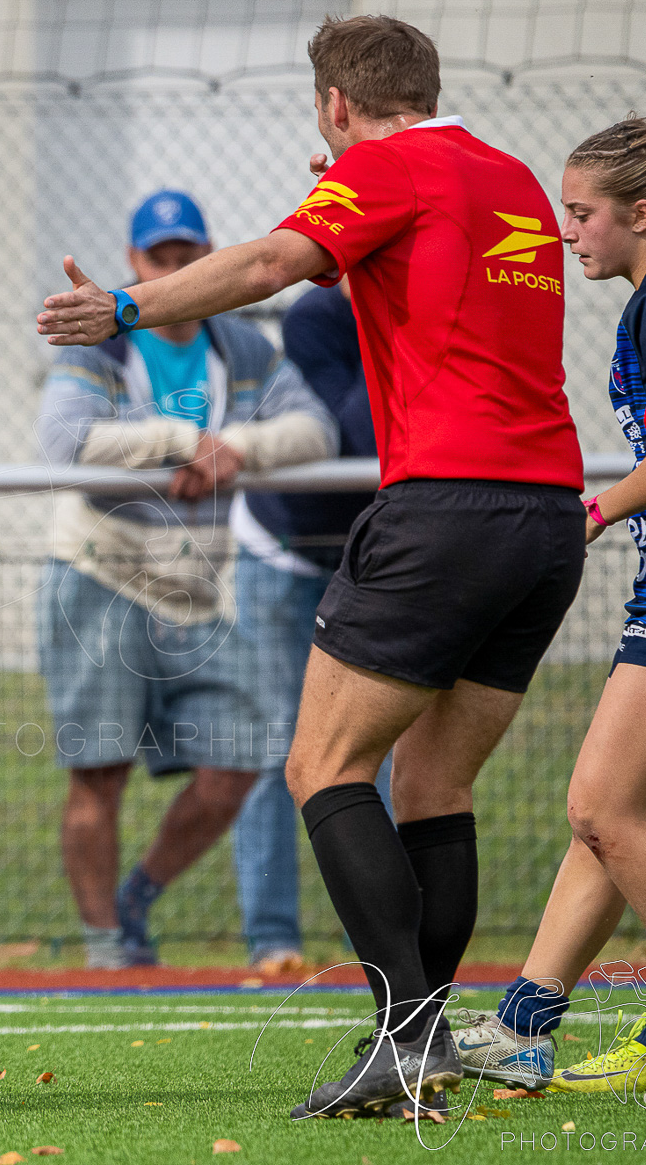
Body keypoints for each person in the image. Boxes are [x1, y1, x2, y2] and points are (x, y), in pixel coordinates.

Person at [36, 15, 586, 1120]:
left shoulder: (385, 168)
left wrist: (125, 308)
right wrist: (344, 193)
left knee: (323, 767)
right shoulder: (512, 176)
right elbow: (414, 276)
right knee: (433, 786)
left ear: (336, 103)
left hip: (443, 511)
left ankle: (406, 1037)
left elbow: (271, 263)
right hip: (547, 519)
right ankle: (422, 1037)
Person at [451, 117, 646, 1106]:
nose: (565, 231)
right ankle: (527, 1027)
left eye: (580, 213)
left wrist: (593, 511)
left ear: (641, 213)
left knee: (603, 808)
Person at [33, 190, 336, 969]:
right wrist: (181, 440)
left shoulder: (244, 346)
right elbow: (65, 441)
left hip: (198, 590)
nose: (174, 266)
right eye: (159, 256)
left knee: (240, 761)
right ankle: (108, 950)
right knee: (99, 775)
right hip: (99, 573)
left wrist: (234, 448)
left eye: (187, 254)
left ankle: (137, 897)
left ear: (208, 257)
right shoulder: (102, 346)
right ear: (134, 263)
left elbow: (316, 430)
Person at [229, 277, 388, 972]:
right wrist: (391, 339)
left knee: (370, 748)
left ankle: (380, 941)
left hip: (368, 556)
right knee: (277, 744)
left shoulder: (421, 312)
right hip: (284, 553)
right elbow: (350, 436)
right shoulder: (318, 315)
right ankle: (272, 941)